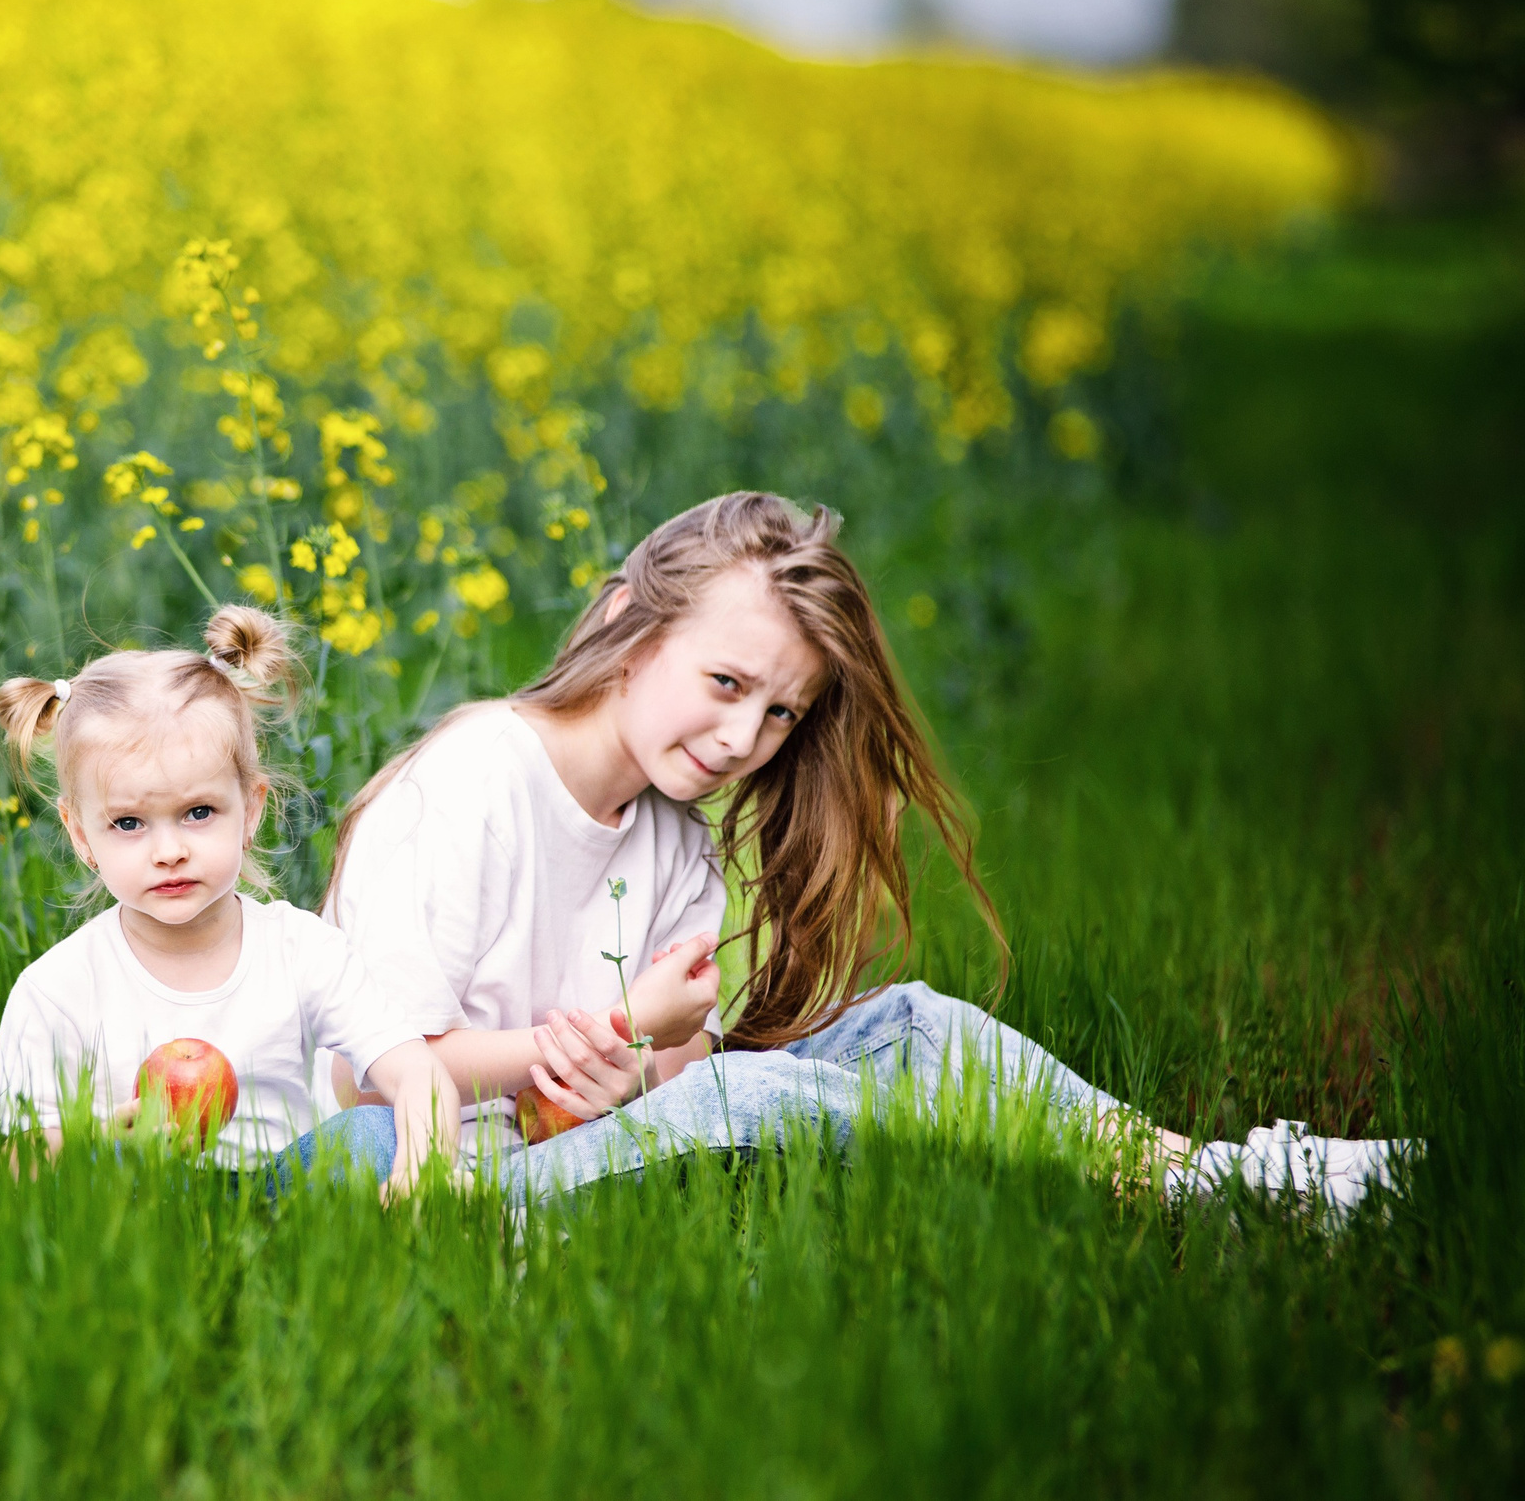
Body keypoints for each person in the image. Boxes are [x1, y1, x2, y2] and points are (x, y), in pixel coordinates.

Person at [319, 491, 1410, 1209]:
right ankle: (1072, 1187)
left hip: (563, 1144)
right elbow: (370, 1067)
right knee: (745, 1100)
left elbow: (675, 1069)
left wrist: (621, 1069)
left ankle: (1219, 1175)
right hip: (438, 1175)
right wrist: (599, 1047)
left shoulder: (670, 837)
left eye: (783, 713)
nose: (744, 739)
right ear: (625, 624)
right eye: (726, 683)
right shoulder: (469, 781)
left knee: (905, 1025)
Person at [0, 604, 461, 1200]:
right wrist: (102, 1140)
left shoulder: (298, 948)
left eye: (198, 813)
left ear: (252, 809)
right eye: (129, 823)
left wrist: (423, 1171)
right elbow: (17, 1165)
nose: (169, 851)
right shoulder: (58, 987)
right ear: (81, 833)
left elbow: (420, 1074)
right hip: (141, 1207)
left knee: (373, 1130)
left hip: (281, 1193)